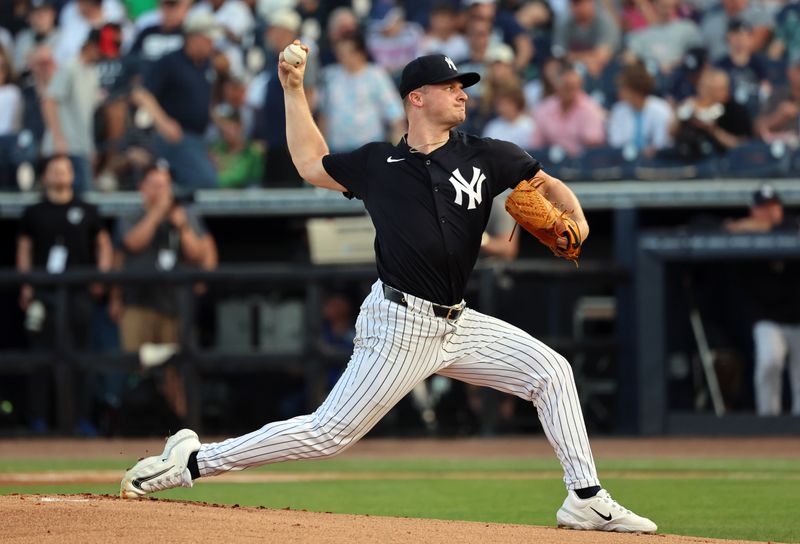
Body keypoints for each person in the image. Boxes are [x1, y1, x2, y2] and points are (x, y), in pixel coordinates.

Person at [120, 50, 657, 534]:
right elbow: (310, 163)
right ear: (417, 98)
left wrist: (578, 223)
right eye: (451, 86)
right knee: (327, 435)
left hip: (457, 322)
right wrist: (292, 89)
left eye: (462, 85)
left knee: (552, 372)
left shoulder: (487, 155)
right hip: (399, 324)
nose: (462, 93)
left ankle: (585, 498)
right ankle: (191, 462)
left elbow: (546, 184)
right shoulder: (380, 164)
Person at [110, 160, 213, 422]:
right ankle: (128, 424)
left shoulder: (185, 214)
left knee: (177, 370)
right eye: (155, 185)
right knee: (133, 366)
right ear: (142, 187)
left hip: (175, 305)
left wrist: (180, 225)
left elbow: (199, 253)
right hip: (138, 302)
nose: (162, 191)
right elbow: (131, 245)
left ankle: (183, 425)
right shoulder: (130, 215)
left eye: (165, 185)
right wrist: (156, 213)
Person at [17, 154, 113, 433]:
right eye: (54, 170)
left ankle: (82, 419)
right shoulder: (33, 212)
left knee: (81, 356)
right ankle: (38, 419)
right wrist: (26, 285)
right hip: (44, 293)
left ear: (73, 175)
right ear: (45, 176)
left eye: (66, 170)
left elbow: (103, 244)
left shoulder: (87, 209)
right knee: (40, 356)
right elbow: (24, 249)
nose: (60, 175)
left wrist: (102, 276)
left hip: (79, 291)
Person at [723, 185, 800, 416]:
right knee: (769, 361)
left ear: (781, 209)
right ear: (752, 210)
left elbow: (788, 226)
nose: (768, 212)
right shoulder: (745, 234)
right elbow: (711, 226)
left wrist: (762, 228)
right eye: (762, 208)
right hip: (768, 317)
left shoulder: (792, 226)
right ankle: (768, 422)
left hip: (798, 316)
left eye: (773, 207)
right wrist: (746, 227)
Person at [132, 10, 221, 190]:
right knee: (205, 182)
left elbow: (200, 103)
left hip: (199, 139)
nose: (212, 45)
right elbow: (141, 94)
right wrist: (163, 123)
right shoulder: (170, 62)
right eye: (208, 40)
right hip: (177, 137)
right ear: (193, 38)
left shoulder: (205, 65)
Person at [41, 28, 103, 194]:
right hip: (63, 149)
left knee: (85, 200)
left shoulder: (92, 71)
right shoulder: (69, 67)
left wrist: (90, 148)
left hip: (81, 148)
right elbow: (49, 102)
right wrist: (58, 138)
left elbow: (86, 115)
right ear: (90, 46)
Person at [531, 62, 607, 156]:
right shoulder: (545, 108)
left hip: (581, 164)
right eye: (566, 87)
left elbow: (594, 145)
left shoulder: (590, 109)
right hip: (551, 162)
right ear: (557, 86)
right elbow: (536, 145)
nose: (570, 92)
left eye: (574, 87)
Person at [606, 61, 674, 156]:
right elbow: (615, 142)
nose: (619, 91)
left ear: (635, 90)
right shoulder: (618, 110)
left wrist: (651, 151)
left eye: (623, 88)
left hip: (657, 163)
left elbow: (663, 143)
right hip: (625, 162)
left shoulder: (661, 109)